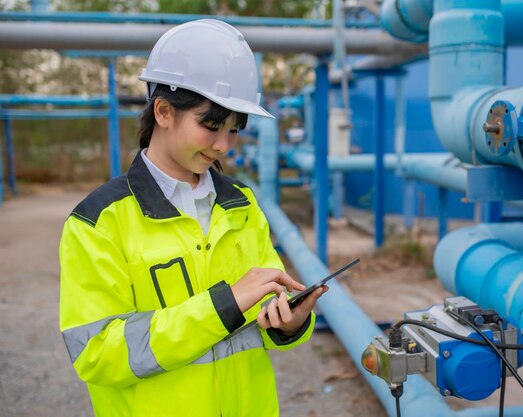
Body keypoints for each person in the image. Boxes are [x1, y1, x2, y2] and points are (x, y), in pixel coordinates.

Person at [59, 19, 326, 417]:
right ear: (163, 111)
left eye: (234, 131)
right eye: (212, 125)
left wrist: (289, 323)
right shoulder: (98, 224)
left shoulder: (241, 204)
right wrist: (221, 307)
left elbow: (264, 319)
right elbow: (97, 355)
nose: (223, 146)